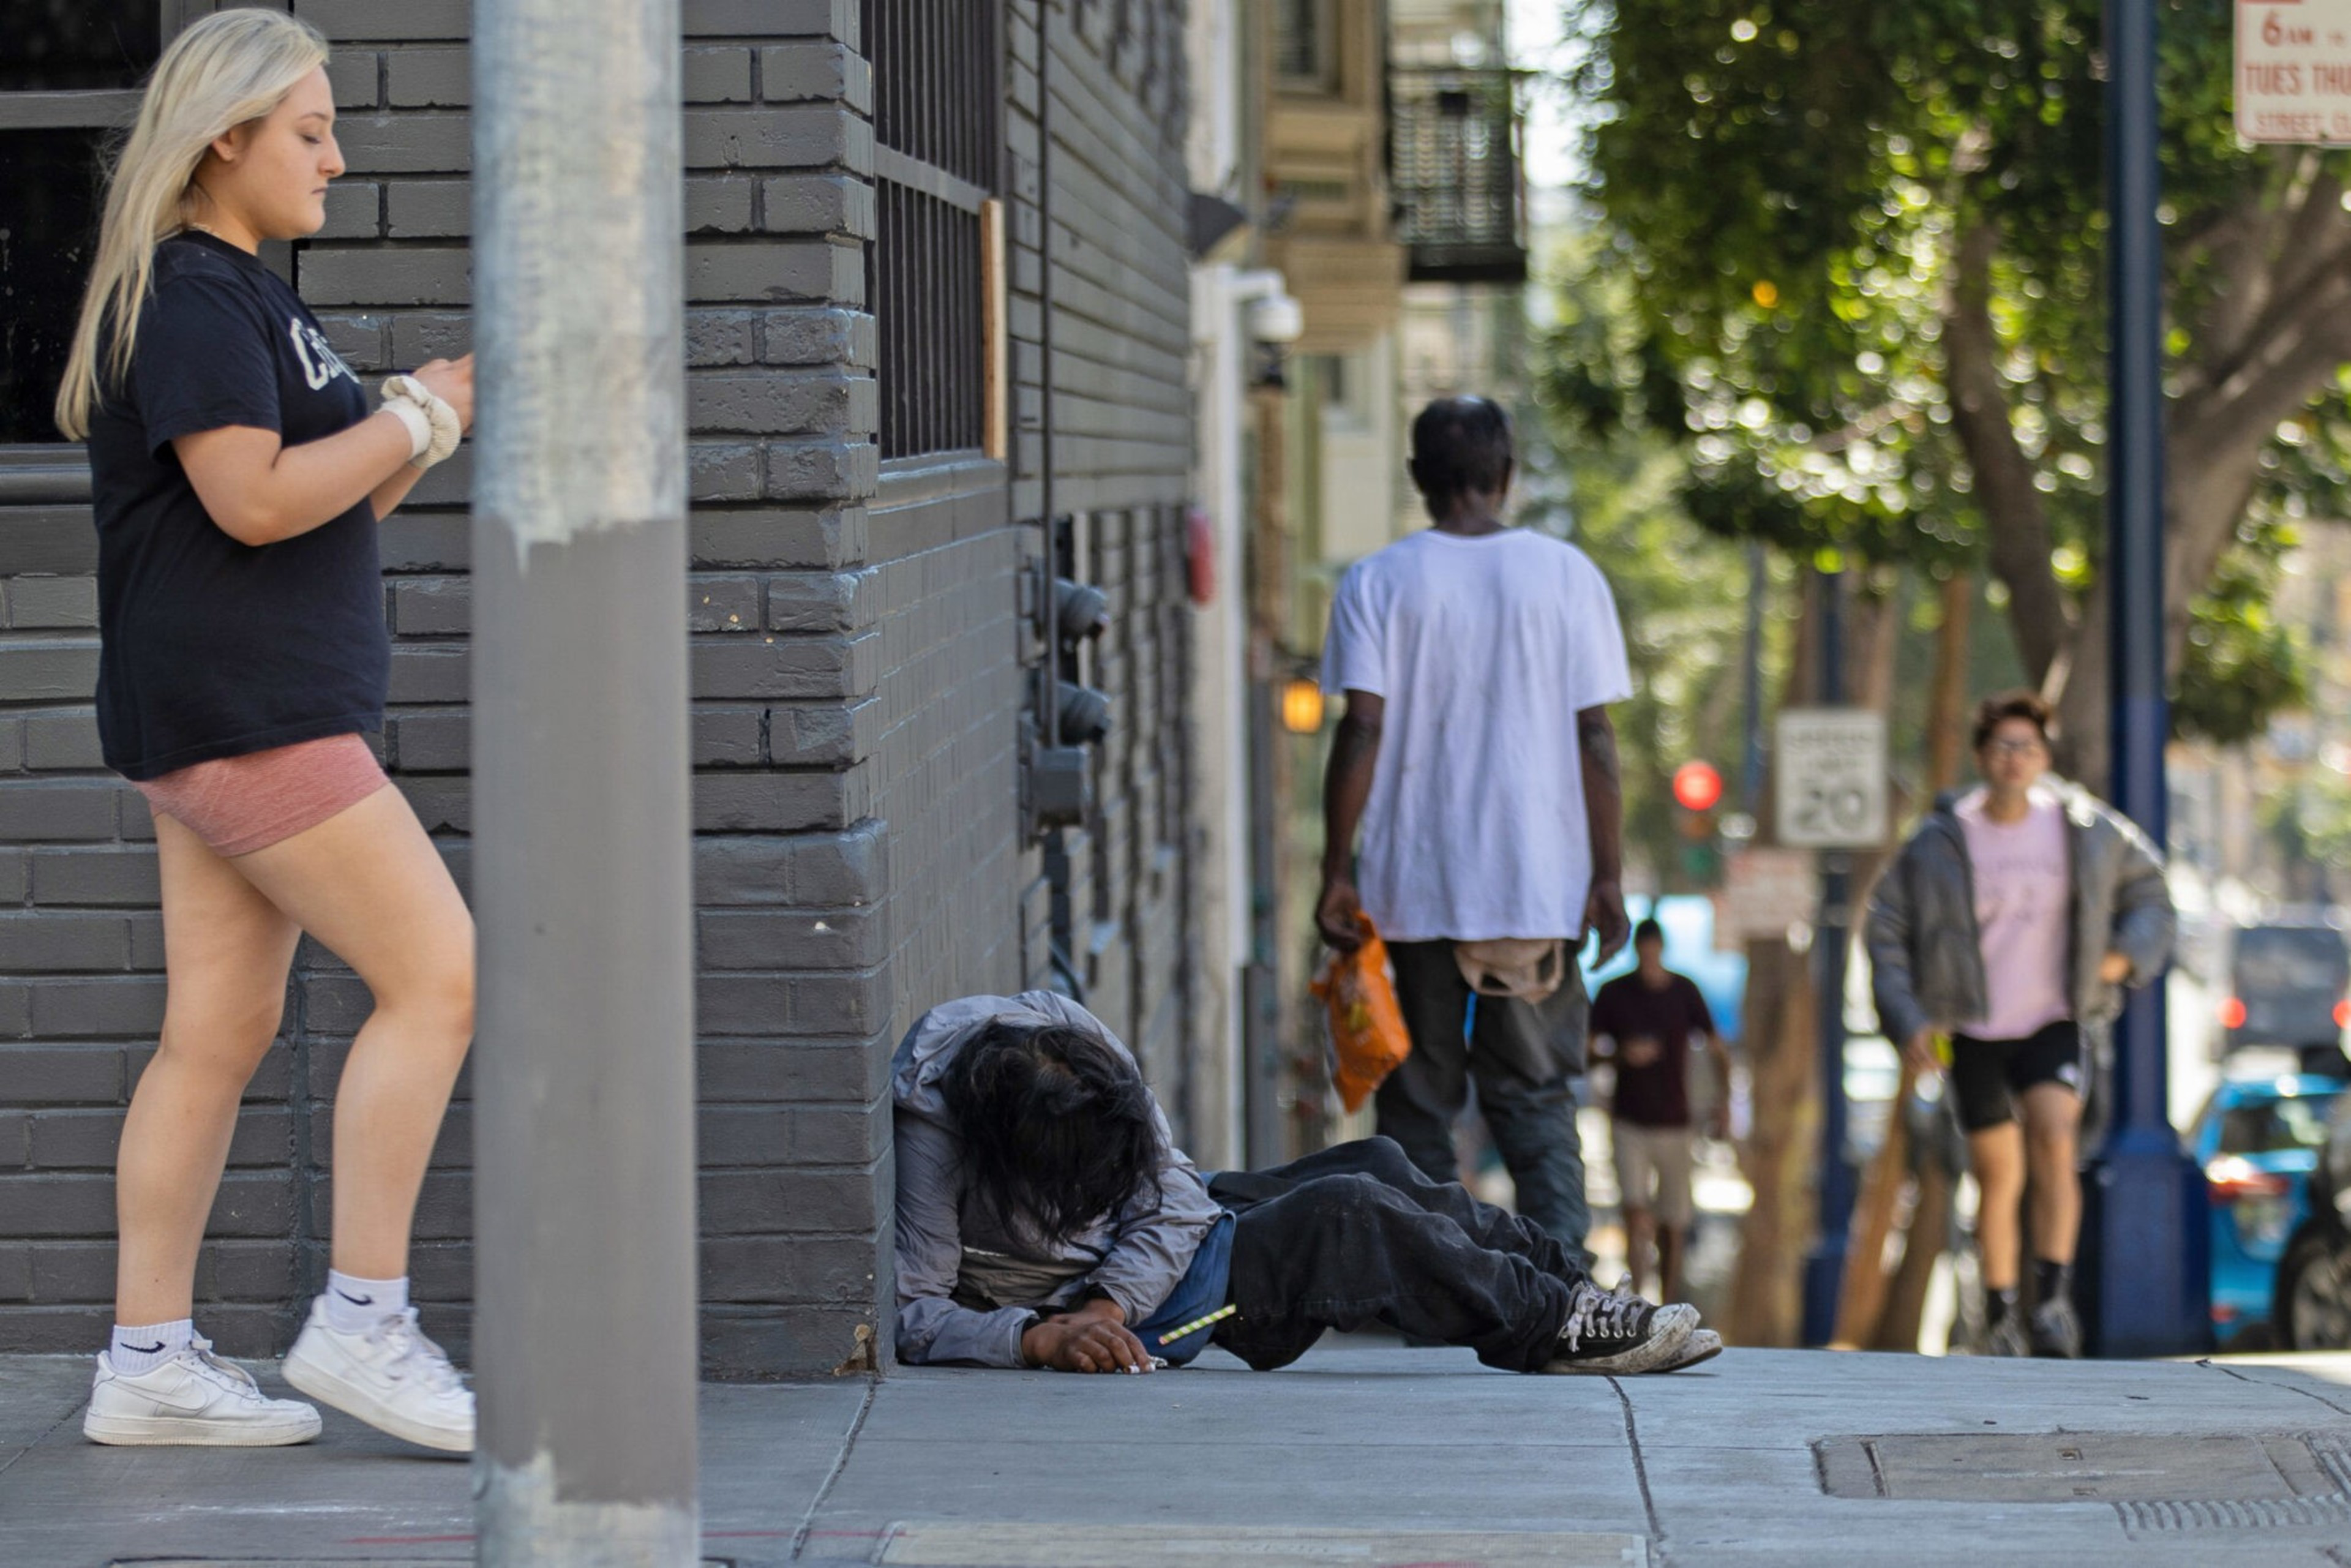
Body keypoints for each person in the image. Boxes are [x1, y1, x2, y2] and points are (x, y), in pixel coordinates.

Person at [56, 10, 477, 1449]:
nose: (338, 160)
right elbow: (248, 497)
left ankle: (147, 1360)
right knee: (438, 973)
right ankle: (362, 1320)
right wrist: (415, 413)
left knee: (216, 1030)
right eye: (310, 130)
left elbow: (314, 500)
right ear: (223, 134)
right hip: (252, 710)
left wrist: (419, 423)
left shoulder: (241, 295)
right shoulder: (192, 296)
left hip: (224, 706)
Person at [893, 992, 1721, 1376]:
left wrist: (1114, 1293)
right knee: (1347, 1218)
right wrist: (1050, 1334)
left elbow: (1172, 1189)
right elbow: (917, 1315)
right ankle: (1552, 1330)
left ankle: (1570, 1286)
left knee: (1380, 1162)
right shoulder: (937, 1139)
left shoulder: (1067, 1034)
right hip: (1177, 1307)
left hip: (1183, 1231)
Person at [1316, 397, 1633, 1255]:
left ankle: (1431, 1294)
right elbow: (1595, 736)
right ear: (1507, 476)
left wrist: (1336, 869)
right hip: (1535, 890)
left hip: (1411, 889)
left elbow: (1363, 728)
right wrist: (1607, 877)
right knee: (1533, 1096)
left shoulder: (1378, 580)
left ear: (1418, 479)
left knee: (1418, 1102)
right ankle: (1563, 1283)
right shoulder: (1569, 577)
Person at [1864, 692, 2174, 1358]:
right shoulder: (1941, 839)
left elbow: (2152, 890)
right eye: (2002, 746)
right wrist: (1909, 1019)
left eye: (2028, 746)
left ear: (2045, 757)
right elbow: (1885, 925)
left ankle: (2054, 1301)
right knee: (1997, 1172)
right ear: (1981, 756)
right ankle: (2002, 1310)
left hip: (2053, 1016)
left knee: (2056, 1138)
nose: (2015, 758)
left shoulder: (2085, 827)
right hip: (1971, 1025)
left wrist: (2124, 955)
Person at [1590, 918, 1732, 1305]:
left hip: (1675, 1120)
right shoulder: (1614, 994)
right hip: (1628, 1119)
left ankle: (1668, 1303)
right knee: (1634, 1213)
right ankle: (1638, 1299)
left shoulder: (1685, 992)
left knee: (1674, 1222)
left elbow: (1718, 1048)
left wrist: (1725, 1103)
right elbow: (1586, 1052)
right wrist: (1622, 1054)